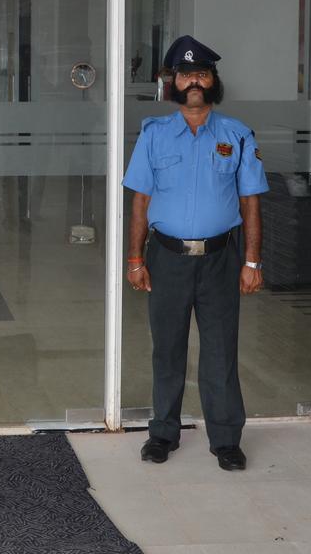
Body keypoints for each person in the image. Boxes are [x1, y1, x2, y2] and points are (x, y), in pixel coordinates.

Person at [122, 35, 267, 471]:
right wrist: (135, 258)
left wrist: (252, 261)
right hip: (166, 257)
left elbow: (251, 203)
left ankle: (225, 440)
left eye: (201, 73)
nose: (194, 82)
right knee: (167, 349)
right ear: (173, 83)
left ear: (213, 80)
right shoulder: (153, 135)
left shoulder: (237, 135)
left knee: (220, 351)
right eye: (185, 75)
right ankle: (162, 433)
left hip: (222, 258)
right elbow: (141, 202)